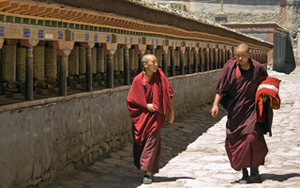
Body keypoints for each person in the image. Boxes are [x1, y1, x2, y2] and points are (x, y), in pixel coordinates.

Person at [211, 43, 271, 184]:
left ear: (250, 54)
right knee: (238, 142)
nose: (239, 58)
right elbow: (221, 89)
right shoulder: (230, 68)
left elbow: (267, 85)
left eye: (243, 55)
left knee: (252, 138)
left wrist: (265, 97)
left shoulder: (258, 68)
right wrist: (215, 104)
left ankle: (254, 171)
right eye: (237, 55)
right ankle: (244, 173)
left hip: (252, 110)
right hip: (236, 111)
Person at [127, 54, 174, 184]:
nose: (156, 64)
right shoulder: (138, 80)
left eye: (157, 62)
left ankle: (148, 172)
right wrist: (145, 105)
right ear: (145, 65)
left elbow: (167, 94)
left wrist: (170, 111)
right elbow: (131, 100)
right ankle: (142, 164)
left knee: (152, 143)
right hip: (142, 117)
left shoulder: (160, 76)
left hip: (155, 117)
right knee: (141, 143)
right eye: (153, 62)